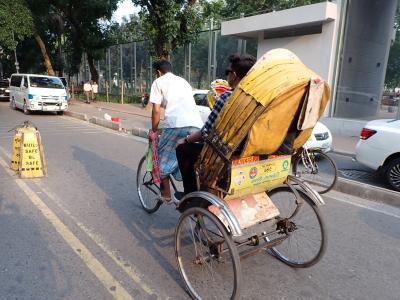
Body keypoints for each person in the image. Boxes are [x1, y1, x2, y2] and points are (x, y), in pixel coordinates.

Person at [176, 54, 256, 195]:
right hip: (250, 150)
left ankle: (189, 194)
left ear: (234, 75)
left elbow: (205, 132)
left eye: (228, 73)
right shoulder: (258, 99)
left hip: (225, 154)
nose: (227, 77)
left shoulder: (226, 97)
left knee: (183, 149)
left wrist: (186, 139)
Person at [149, 59, 203, 203]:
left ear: (158, 72)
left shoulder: (158, 82)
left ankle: (166, 194)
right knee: (186, 156)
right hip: (197, 125)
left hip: (176, 125)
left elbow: (156, 111)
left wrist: (153, 131)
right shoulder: (183, 81)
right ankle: (193, 192)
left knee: (159, 158)